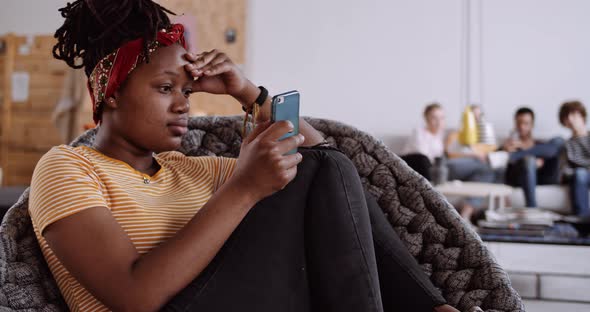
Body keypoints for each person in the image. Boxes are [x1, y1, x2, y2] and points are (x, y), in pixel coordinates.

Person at [28, 1, 459, 311]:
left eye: (187, 91)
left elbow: (327, 172)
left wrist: (247, 91)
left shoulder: (190, 170)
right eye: (164, 89)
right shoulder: (67, 168)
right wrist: (244, 189)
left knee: (322, 164)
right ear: (111, 93)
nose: (183, 105)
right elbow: (133, 296)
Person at [502, 107, 564, 208]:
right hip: (520, 178)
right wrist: (505, 151)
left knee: (559, 140)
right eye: (519, 123)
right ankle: (532, 208)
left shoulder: (540, 144)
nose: (522, 127)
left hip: (543, 177)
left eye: (526, 123)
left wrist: (527, 151)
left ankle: (521, 156)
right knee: (529, 161)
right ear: (515, 124)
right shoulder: (510, 145)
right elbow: (498, 166)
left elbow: (551, 153)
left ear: (532, 125)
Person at [559, 101, 590, 217]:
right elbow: (564, 170)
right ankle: (583, 221)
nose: (571, 119)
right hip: (579, 176)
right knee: (580, 173)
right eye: (567, 117)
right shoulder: (566, 145)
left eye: (574, 115)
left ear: (582, 116)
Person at [400, 103, 446, 180]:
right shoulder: (418, 132)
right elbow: (422, 153)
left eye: (442, 118)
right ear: (426, 118)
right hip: (410, 163)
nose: (439, 122)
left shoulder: (439, 138)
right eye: (434, 118)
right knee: (423, 159)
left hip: (427, 166)